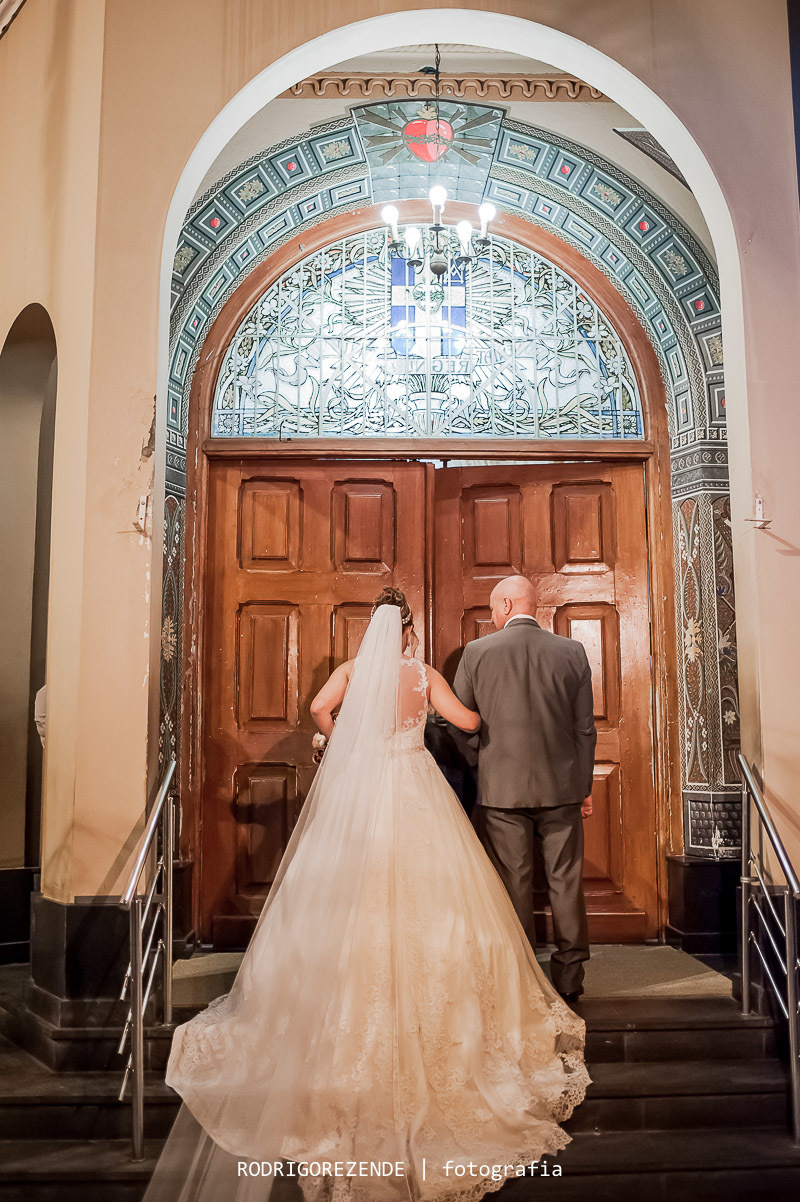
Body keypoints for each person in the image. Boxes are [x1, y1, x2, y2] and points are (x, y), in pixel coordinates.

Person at [144, 587, 588, 1202]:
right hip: (414, 783)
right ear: (406, 630)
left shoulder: (353, 673)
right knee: (438, 896)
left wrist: (343, 738)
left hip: (366, 784)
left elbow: (317, 710)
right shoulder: (423, 673)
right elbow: (468, 721)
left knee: (347, 891)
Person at [453, 575, 597, 1003]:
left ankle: (522, 982)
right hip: (563, 788)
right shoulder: (572, 652)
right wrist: (583, 784)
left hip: (501, 790)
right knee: (565, 881)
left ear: (508, 603)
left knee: (514, 883)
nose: (493, 616)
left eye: (494, 608)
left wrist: (483, 762)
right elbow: (584, 729)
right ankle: (570, 979)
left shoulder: (477, 653)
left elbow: (457, 720)